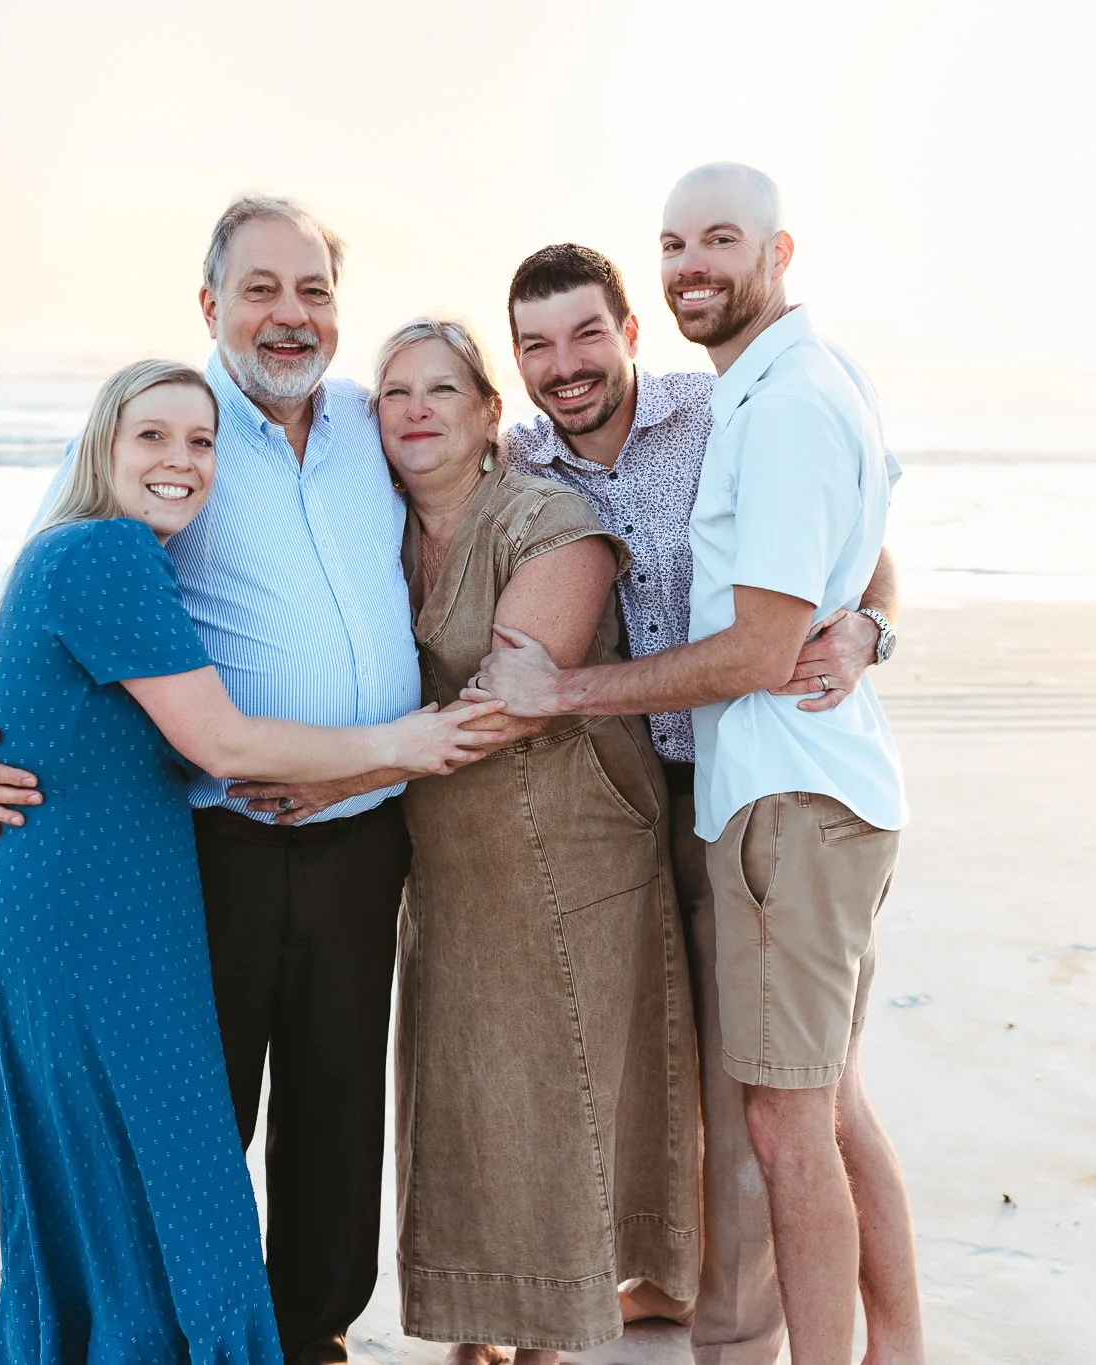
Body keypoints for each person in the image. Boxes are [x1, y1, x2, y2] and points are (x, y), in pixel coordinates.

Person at [0, 198, 456, 1365]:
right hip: (206, 841)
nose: (290, 315)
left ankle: (311, 1329)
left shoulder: (369, 422)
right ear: (210, 302)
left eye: (313, 290)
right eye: (262, 289)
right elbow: (18, 592)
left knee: (336, 1100)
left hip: (363, 826)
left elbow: (485, 463)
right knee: (189, 1111)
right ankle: (181, 1323)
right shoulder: (165, 427)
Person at [470, 165, 924, 1365]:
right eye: (534, 347)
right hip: (645, 796)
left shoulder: (732, 410)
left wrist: (869, 625)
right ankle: (660, 1286)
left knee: (778, 1106)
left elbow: (858, 531)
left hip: (757, 783)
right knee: (726, 1078)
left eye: (584, 335)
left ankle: (750, 1332)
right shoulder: (519, 468)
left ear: (628, 331)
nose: (563, 365)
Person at [235, 319, 700, 1363]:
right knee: (462, 1086)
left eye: (440, 389)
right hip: (447, 852)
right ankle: (481, 1322)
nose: (412, 409)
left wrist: (340, 777)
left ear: (490, 413)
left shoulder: (549, 519)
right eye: (393, 392)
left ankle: (553, 1327)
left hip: (572, 839)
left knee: (558, 1087)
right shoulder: (376, 529)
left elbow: (511, 702)